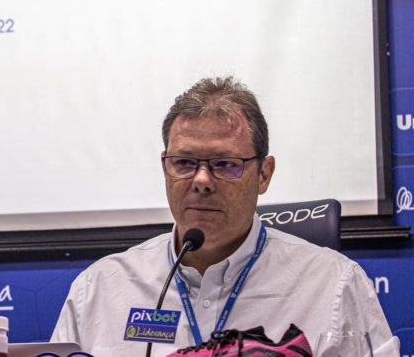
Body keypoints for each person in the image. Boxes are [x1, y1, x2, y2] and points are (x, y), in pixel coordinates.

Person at [51, 76, 399, 356]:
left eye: (225, 165)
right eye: (185, 163)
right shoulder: (99, 290)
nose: (201, 181)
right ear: (165, 167)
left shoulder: (333, 286)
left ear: (264, 174)